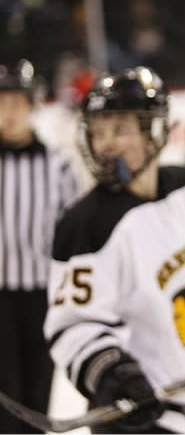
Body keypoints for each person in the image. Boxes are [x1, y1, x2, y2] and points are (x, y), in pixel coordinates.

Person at [44, 66, 185, 434]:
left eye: (119, 129)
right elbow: (74, 326)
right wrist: (111, 373)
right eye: (99, 131)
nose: (106, 143)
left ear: (153, 132)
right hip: (141, 418)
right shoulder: (85, 225)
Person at [0, 58, 78, 433]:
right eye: (2, 103)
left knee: (37, 392)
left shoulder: (57, 165)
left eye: (17, 103)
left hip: (43, 296)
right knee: (5, 392)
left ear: (32, 107)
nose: (8, 113)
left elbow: (71, 233)